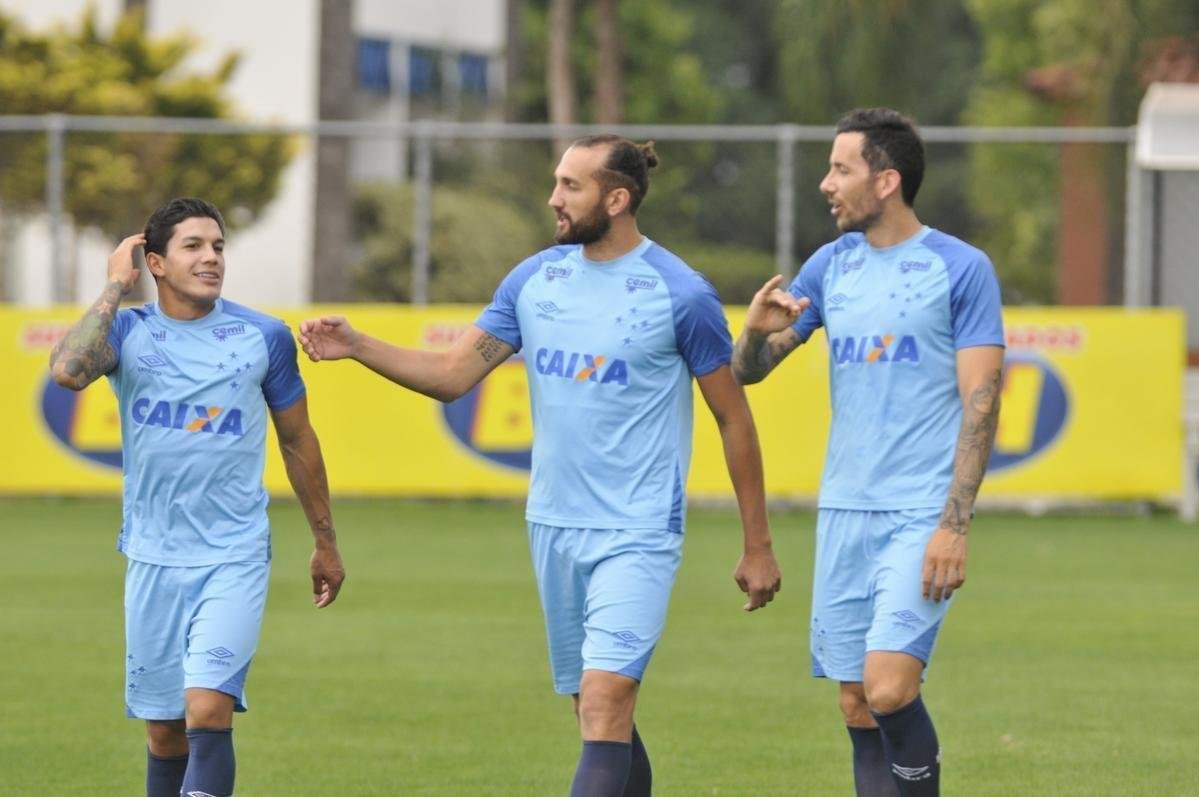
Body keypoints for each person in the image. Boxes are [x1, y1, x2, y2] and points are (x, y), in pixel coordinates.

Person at [298, 135, 781, 796]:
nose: (554, 198)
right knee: (596, 711)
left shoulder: (681, 294)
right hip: (553, 525)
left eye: (571, 186)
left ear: (617, 198)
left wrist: (758, 545)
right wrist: (357, 344)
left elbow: (734, 419)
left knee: (605, 701)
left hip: (637, 531)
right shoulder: (534, 280)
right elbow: (451, 374)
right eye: (556, 181)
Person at [732, 108, 1004, 796]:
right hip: (844, 512)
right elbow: (750, 371)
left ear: (886, 181)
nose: (826, 183)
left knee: (888, 686)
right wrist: (753, 334)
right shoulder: (829, 266)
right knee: (855, 702)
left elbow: (982, 402)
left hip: (920, 513)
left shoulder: (960, 269)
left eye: (840, 169)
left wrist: (954, 525)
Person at [49, 197, 346, 797]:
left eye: (218, 246)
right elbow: (68, 371)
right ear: (155, 263)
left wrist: (325, 542)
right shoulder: (127, 330)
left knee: (207, 710)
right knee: (165, 734)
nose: (211, 257)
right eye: (193, 246)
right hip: (152, 557)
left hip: (233, 554)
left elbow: (297, 440)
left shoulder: (263, 336)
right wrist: (115, 285)